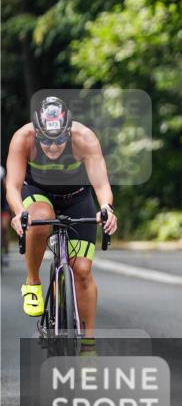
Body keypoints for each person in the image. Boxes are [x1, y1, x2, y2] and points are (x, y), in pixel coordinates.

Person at [5, 96, 118, 347]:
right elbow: (12, 186)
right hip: (38, 194)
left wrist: (106, 209)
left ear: (68, 131)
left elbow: (101, 185)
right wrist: (18, 213)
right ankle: (32, 281)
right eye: (46, 139)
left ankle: (89, 344)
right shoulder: (23, 138)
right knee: (41, 217)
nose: (53, 147)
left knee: (82, 271)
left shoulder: (84, 138)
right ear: (37, 131)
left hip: (77, 197)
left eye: (58, 140)